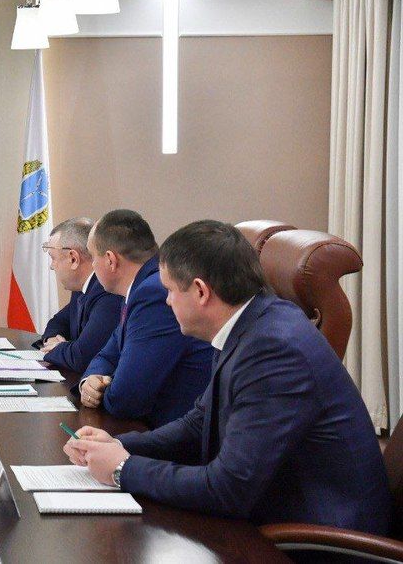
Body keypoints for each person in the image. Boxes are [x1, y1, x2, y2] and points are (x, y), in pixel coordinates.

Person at [64, 220, 391, 536]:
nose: (166, 301)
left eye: (170, 290)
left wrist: (123, 468)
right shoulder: (251, 322)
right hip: (274, 512)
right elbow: (198, 424)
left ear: (200, 291)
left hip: (316, 539)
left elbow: (229, 489)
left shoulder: (273, 349)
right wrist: (119, 445)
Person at [78, 210, 211, 427]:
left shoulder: (154, 292)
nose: (92, 266)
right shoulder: (139, 287)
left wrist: (101, 392)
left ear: (110, 260)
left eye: (93, 257)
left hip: (173, 433)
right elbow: (107, 354)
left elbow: (125, 399)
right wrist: (90, 380)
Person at [36, 217, 123, 373]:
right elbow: (58, 321)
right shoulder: (81, 288)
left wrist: (58, 348)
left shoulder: (108, 293)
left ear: (73, 258)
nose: (51, 266)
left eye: (53, 258)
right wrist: (52, 339)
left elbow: (82, 357)